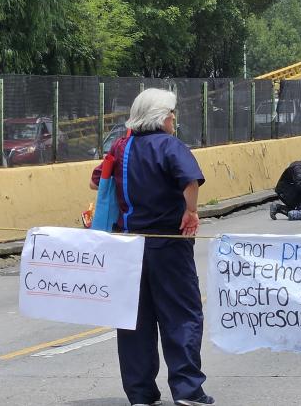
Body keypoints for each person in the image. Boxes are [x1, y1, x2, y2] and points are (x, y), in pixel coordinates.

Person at [98, 88, 213, 406]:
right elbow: (189, 180)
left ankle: (140, 393)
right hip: (168, 242)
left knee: (135, 319)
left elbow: (98, 180)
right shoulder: (169, 145)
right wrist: (190, 211)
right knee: (182, 315)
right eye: (171, 112)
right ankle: (188, 389)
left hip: (128, 243)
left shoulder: (121, 147)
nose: (173, 118)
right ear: (160, 117)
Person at [268, 155, 301, 220]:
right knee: (297, 214)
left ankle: (299, 206)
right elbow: (300, 187)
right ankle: (278, 207)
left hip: (291, 190)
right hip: (284, 192)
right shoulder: (298, 170)